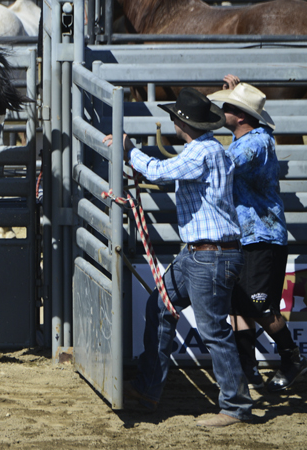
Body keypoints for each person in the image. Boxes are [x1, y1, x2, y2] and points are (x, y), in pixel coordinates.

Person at [104, 88, 252, 427]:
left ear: (181, 121)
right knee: (160, 306)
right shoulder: (206, 150)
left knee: (213, 329)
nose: (171, 120)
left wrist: (129, 150)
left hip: (209, 256)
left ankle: (236, 407)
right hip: (201, 255)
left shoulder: (203, 152)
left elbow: (157, 171)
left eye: (173, 116)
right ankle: (147, 388)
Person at [209, 75, 306, 392]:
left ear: (240, 115)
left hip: (262, 238)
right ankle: (246, 368)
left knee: (259, 305)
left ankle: (292, 359)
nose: (223, 109)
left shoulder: (257, 142)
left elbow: (223, 162)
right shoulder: (250, 139)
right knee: (240, 304)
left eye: (228, 106)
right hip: (248, 238)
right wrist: (235, 92)